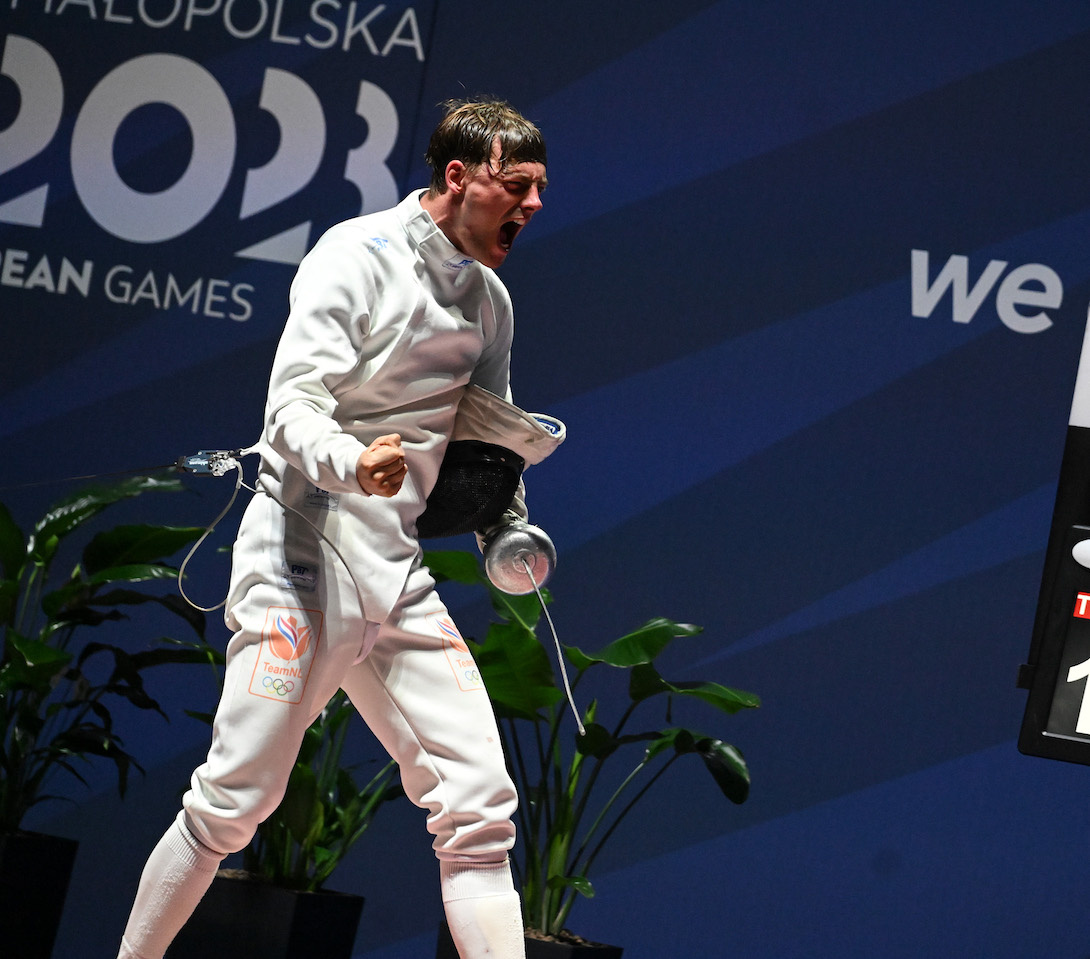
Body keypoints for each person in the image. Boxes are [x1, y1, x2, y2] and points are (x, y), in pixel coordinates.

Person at [117, 98, 550, 959]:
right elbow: (292, 407)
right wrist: (354, 462)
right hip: (300, 560)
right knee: (232, 803)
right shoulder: (355, 256)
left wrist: (508, 526)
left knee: (479, 806)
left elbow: (484, 444)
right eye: (516, 184)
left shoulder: (489, 304)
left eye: (540, 188)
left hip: (394, 575)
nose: (532, 205)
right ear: (458, 178)